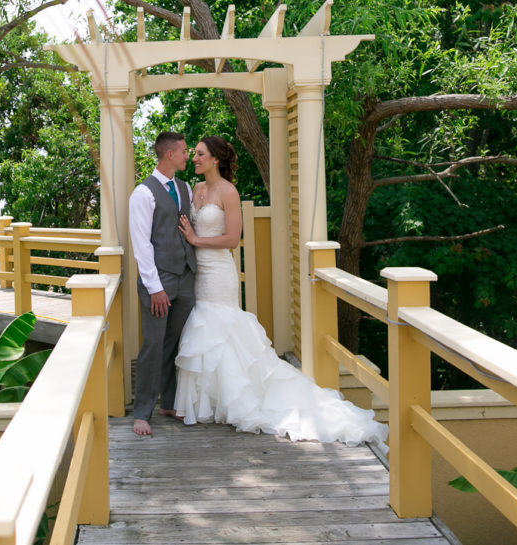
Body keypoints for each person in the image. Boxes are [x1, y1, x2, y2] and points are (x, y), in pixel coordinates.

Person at [175, 136, 388, 447]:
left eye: (200, 154)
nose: (194, 158)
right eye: (194, 154)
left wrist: (196, 240)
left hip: (219, 272)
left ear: (216, 159)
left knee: (221, 325)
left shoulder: (228, 192)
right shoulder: (196, 189)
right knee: (205, 328)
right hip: (198, 272)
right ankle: (212, 400)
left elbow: (232, 239)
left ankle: (243, 399)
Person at [128, 131, 198, 436]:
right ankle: (142, 413)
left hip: (186, 277)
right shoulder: (143, 193)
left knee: (176, 342)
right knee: (154, 345)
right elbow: (141, 243)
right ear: (169, 154)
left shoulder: (185, 188)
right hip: (159, 280)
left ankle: (169, 403)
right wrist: (154, 287)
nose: (187, 156)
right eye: (184, 151)